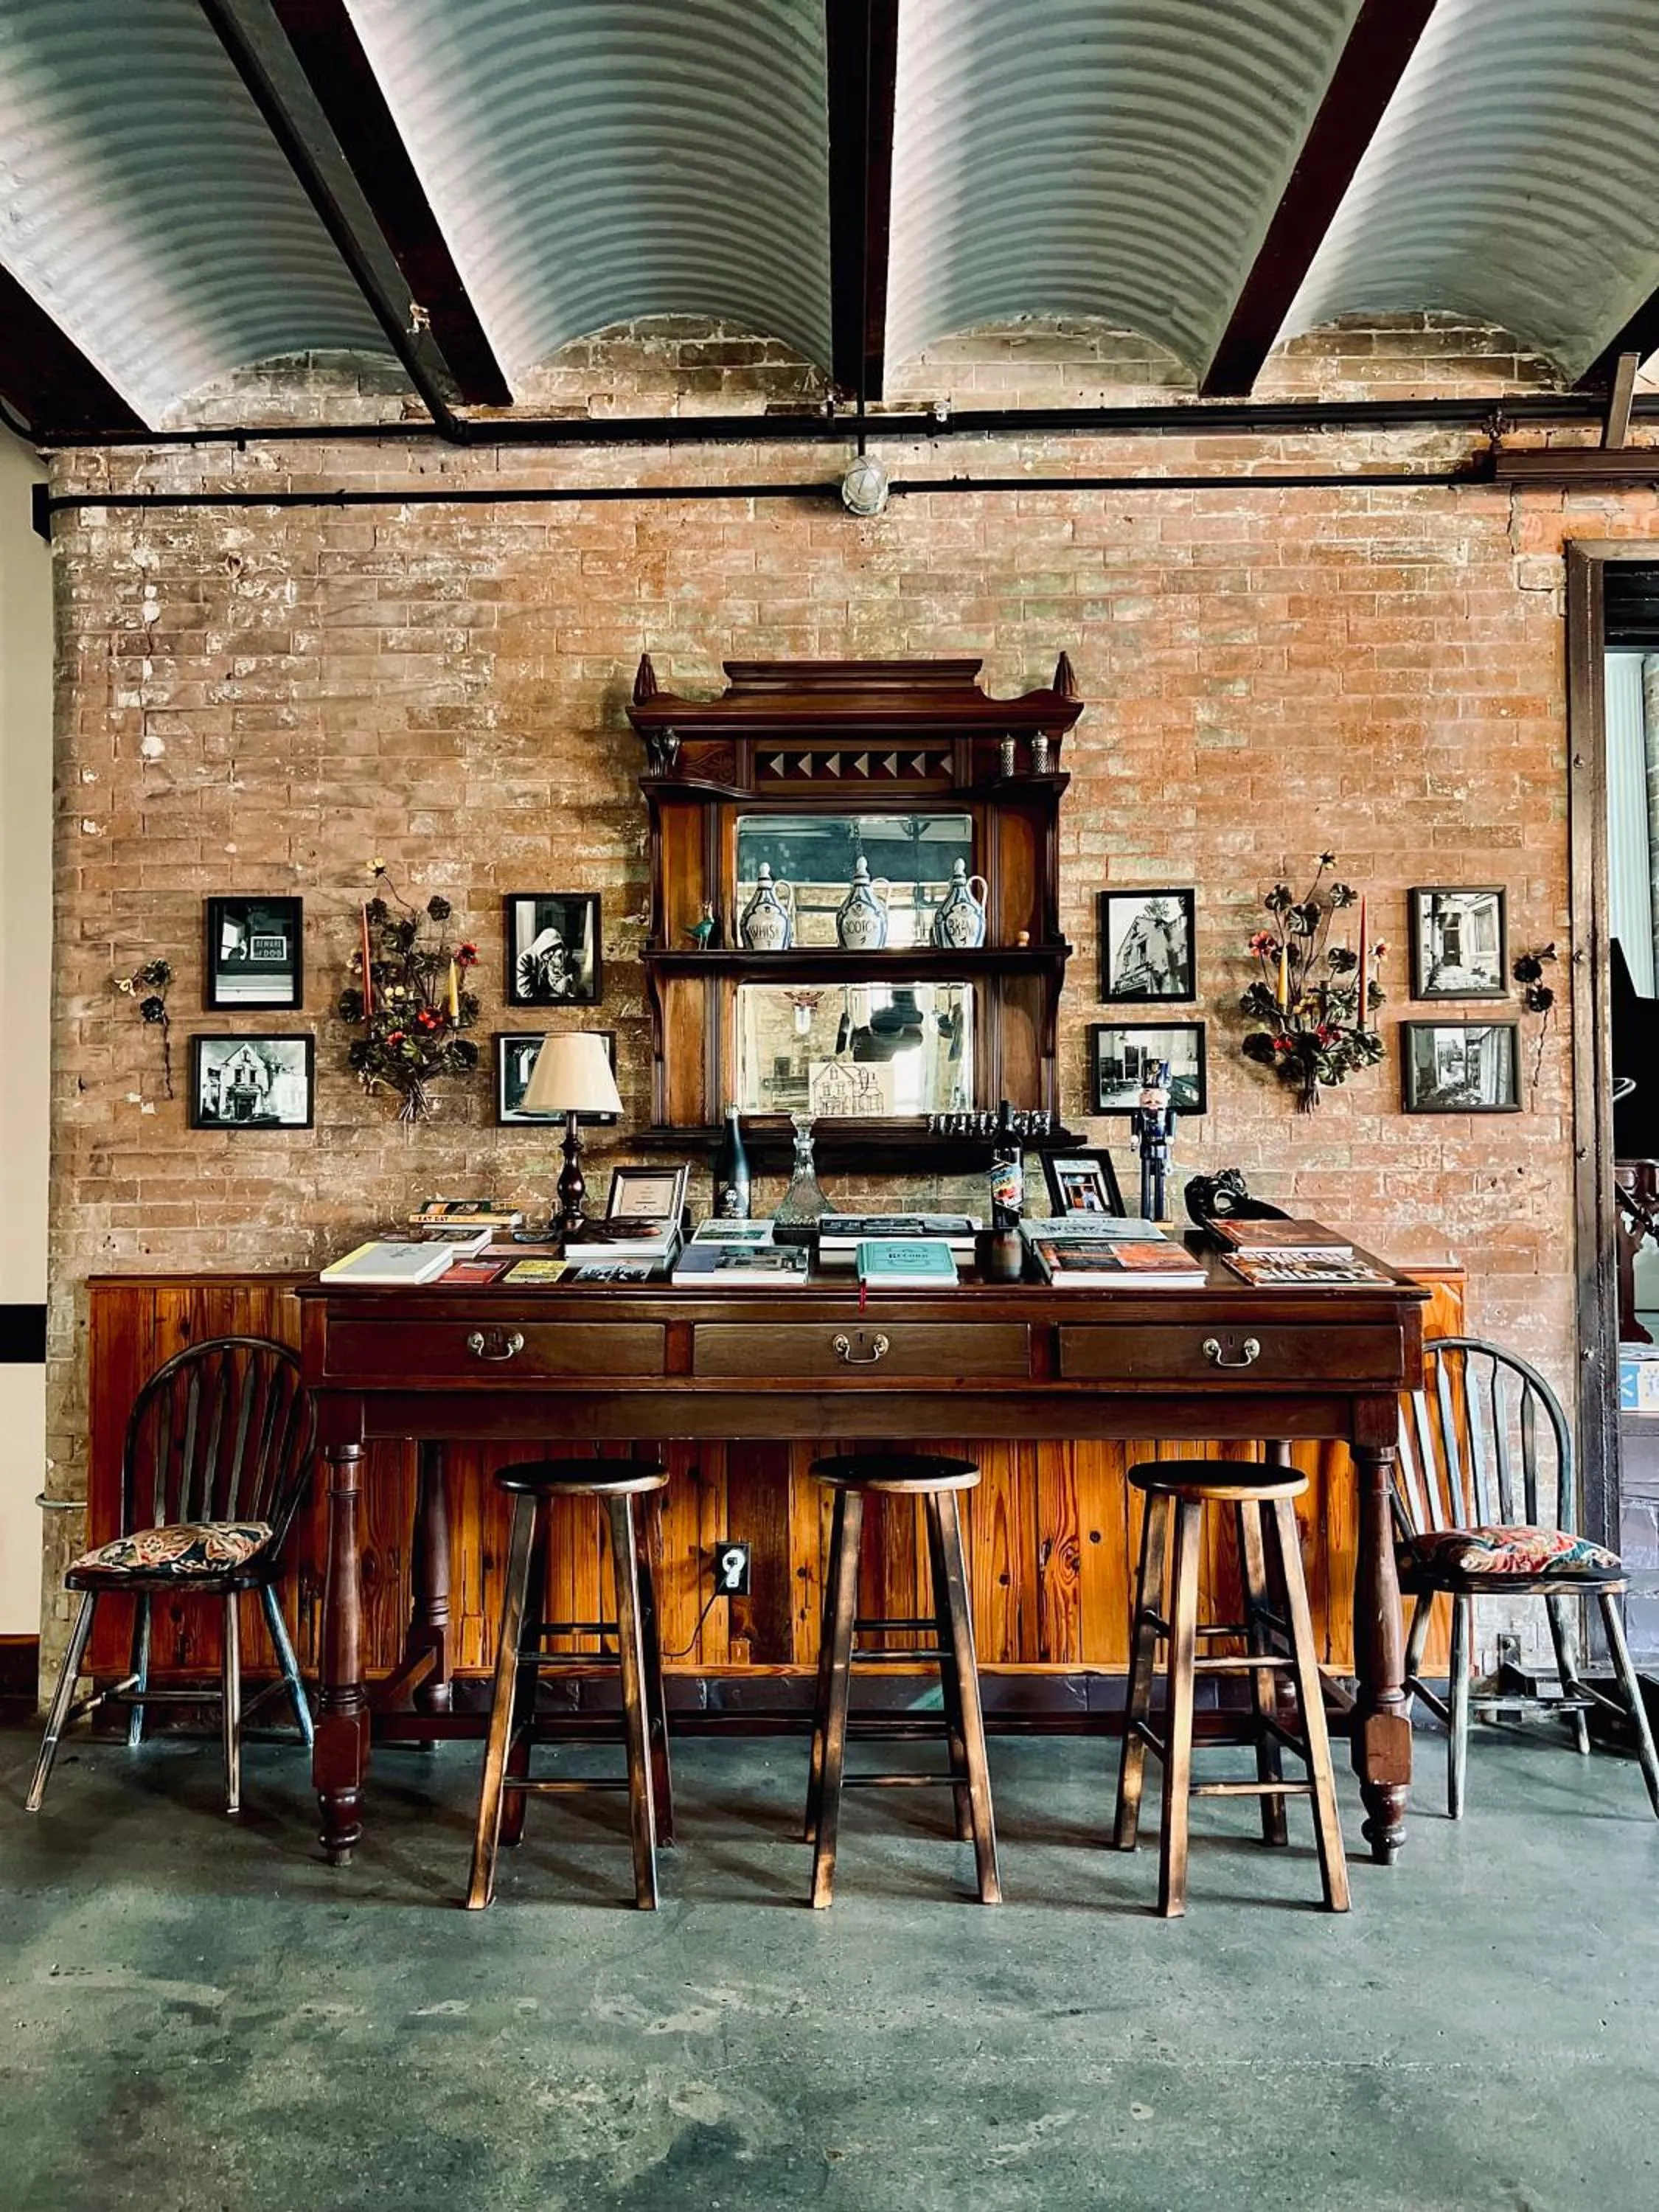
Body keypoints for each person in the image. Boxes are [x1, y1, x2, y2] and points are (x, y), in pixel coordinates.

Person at [517, 925, 574, 1003]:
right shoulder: (525, 959)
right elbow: (525, 991)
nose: (551, 953)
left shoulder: (554, 959)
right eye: (548, 949)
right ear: (541, 946)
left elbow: (557, 983)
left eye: (554, 950)